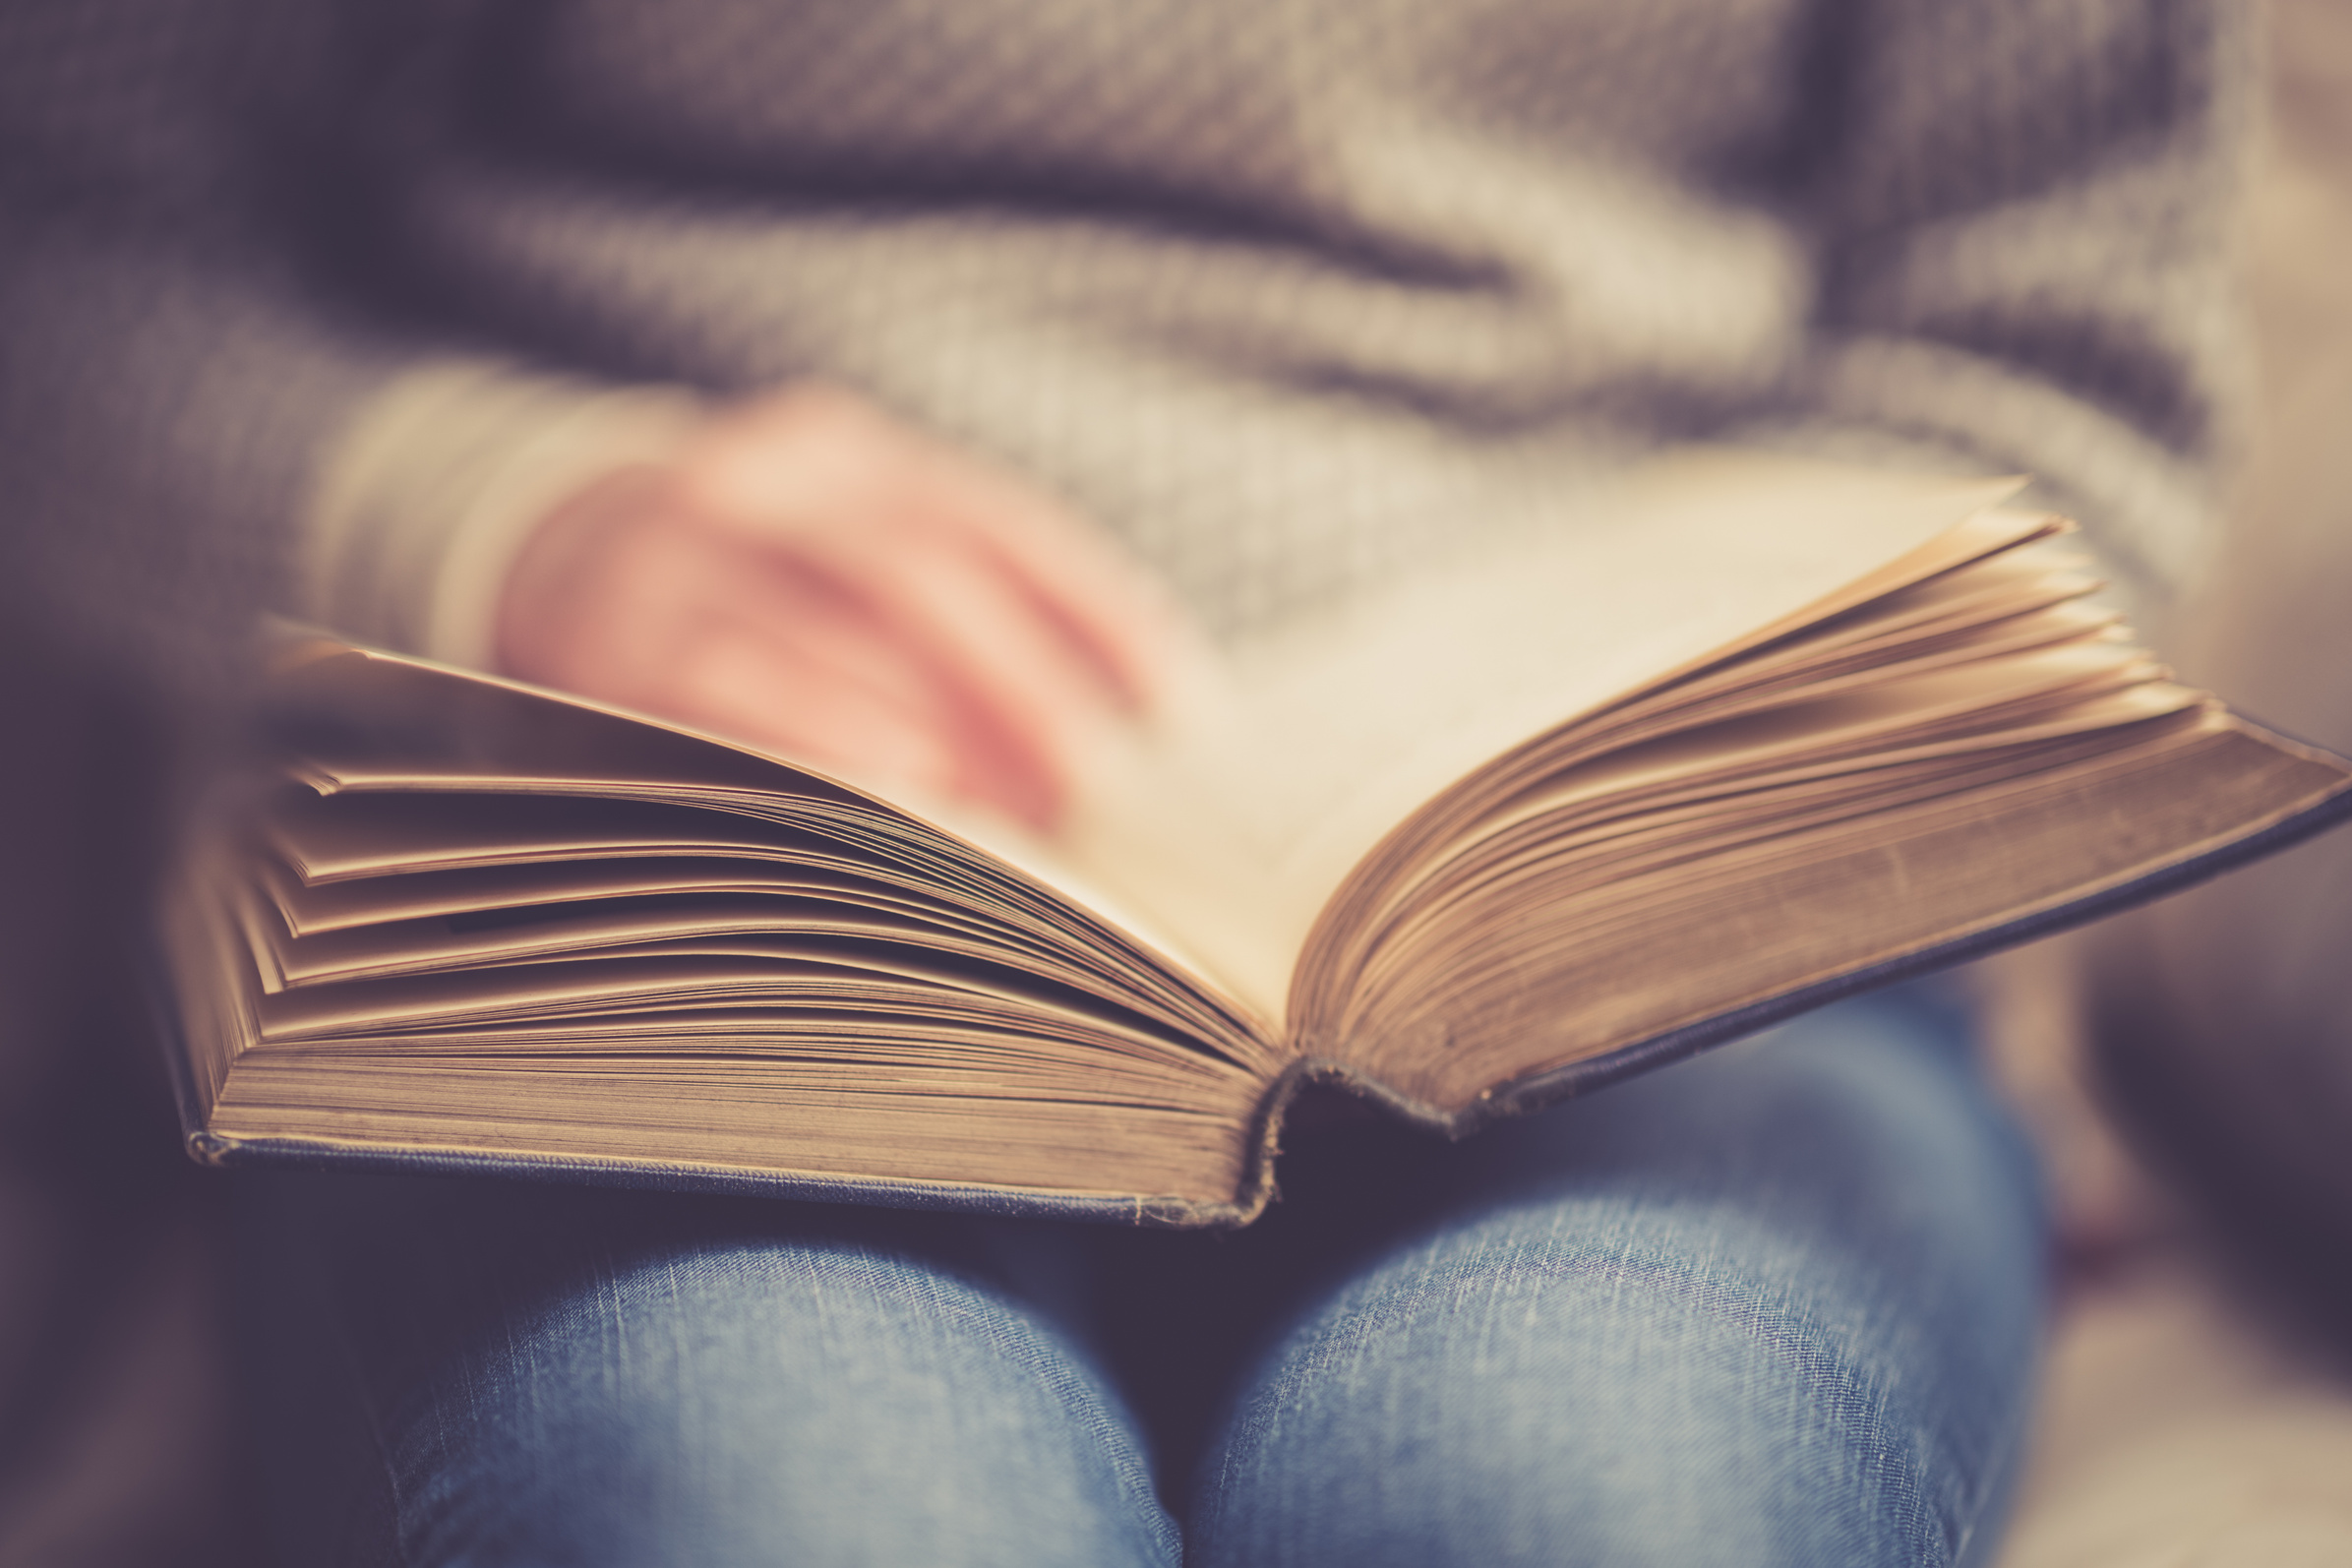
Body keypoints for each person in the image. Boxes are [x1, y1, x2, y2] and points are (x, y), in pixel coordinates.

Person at [0, 3, 2251, 1562]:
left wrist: (1800, 780)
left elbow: (2048, 356)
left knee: (1566, 1505)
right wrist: (493, 514)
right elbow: (63, 229)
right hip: (660, 915)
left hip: (1648, 947)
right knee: (790, 1511)